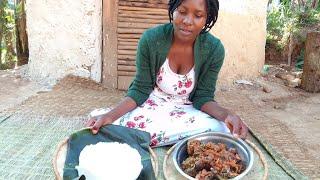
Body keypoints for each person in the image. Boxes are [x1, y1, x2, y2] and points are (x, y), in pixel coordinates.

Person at [86, 0, 248, 147]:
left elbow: (203, 97)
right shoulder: (151, 39)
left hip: (188, 109)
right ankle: (175, 140)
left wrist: (227, 115)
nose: (187, 21)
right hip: (152, 105)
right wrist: (110, 115)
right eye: (182, 12)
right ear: (173, 10)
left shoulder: (213, 49)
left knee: (222, 129)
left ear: (207, 18)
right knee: (105, 121)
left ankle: (144, 138)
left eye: (198, 15)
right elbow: (140, 90)